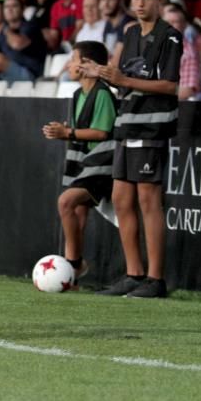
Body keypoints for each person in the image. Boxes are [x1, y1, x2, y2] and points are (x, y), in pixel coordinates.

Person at [81, 0, 181, 298]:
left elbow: (169, 85)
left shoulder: (171, 37)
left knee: (148, 200)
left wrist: (122, 80)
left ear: (158, 0)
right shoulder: (130, 32)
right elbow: (122, 78)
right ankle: (134, 274)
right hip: (127, 124)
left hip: (152, 126)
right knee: (122, 199)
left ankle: (156, 279)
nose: (140, 3)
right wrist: (103, 74)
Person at [42, 41, 116, 285]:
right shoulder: (76, 95)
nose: (69, 65)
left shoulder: (103, 93)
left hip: (102, 166)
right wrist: (61, 131)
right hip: (83, 165)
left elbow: (101, 133)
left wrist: (69, 133)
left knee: (66, 202)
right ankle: (71, 276)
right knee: (78, 213)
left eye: (73, 59)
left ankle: (73, 264)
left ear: (86, 64)